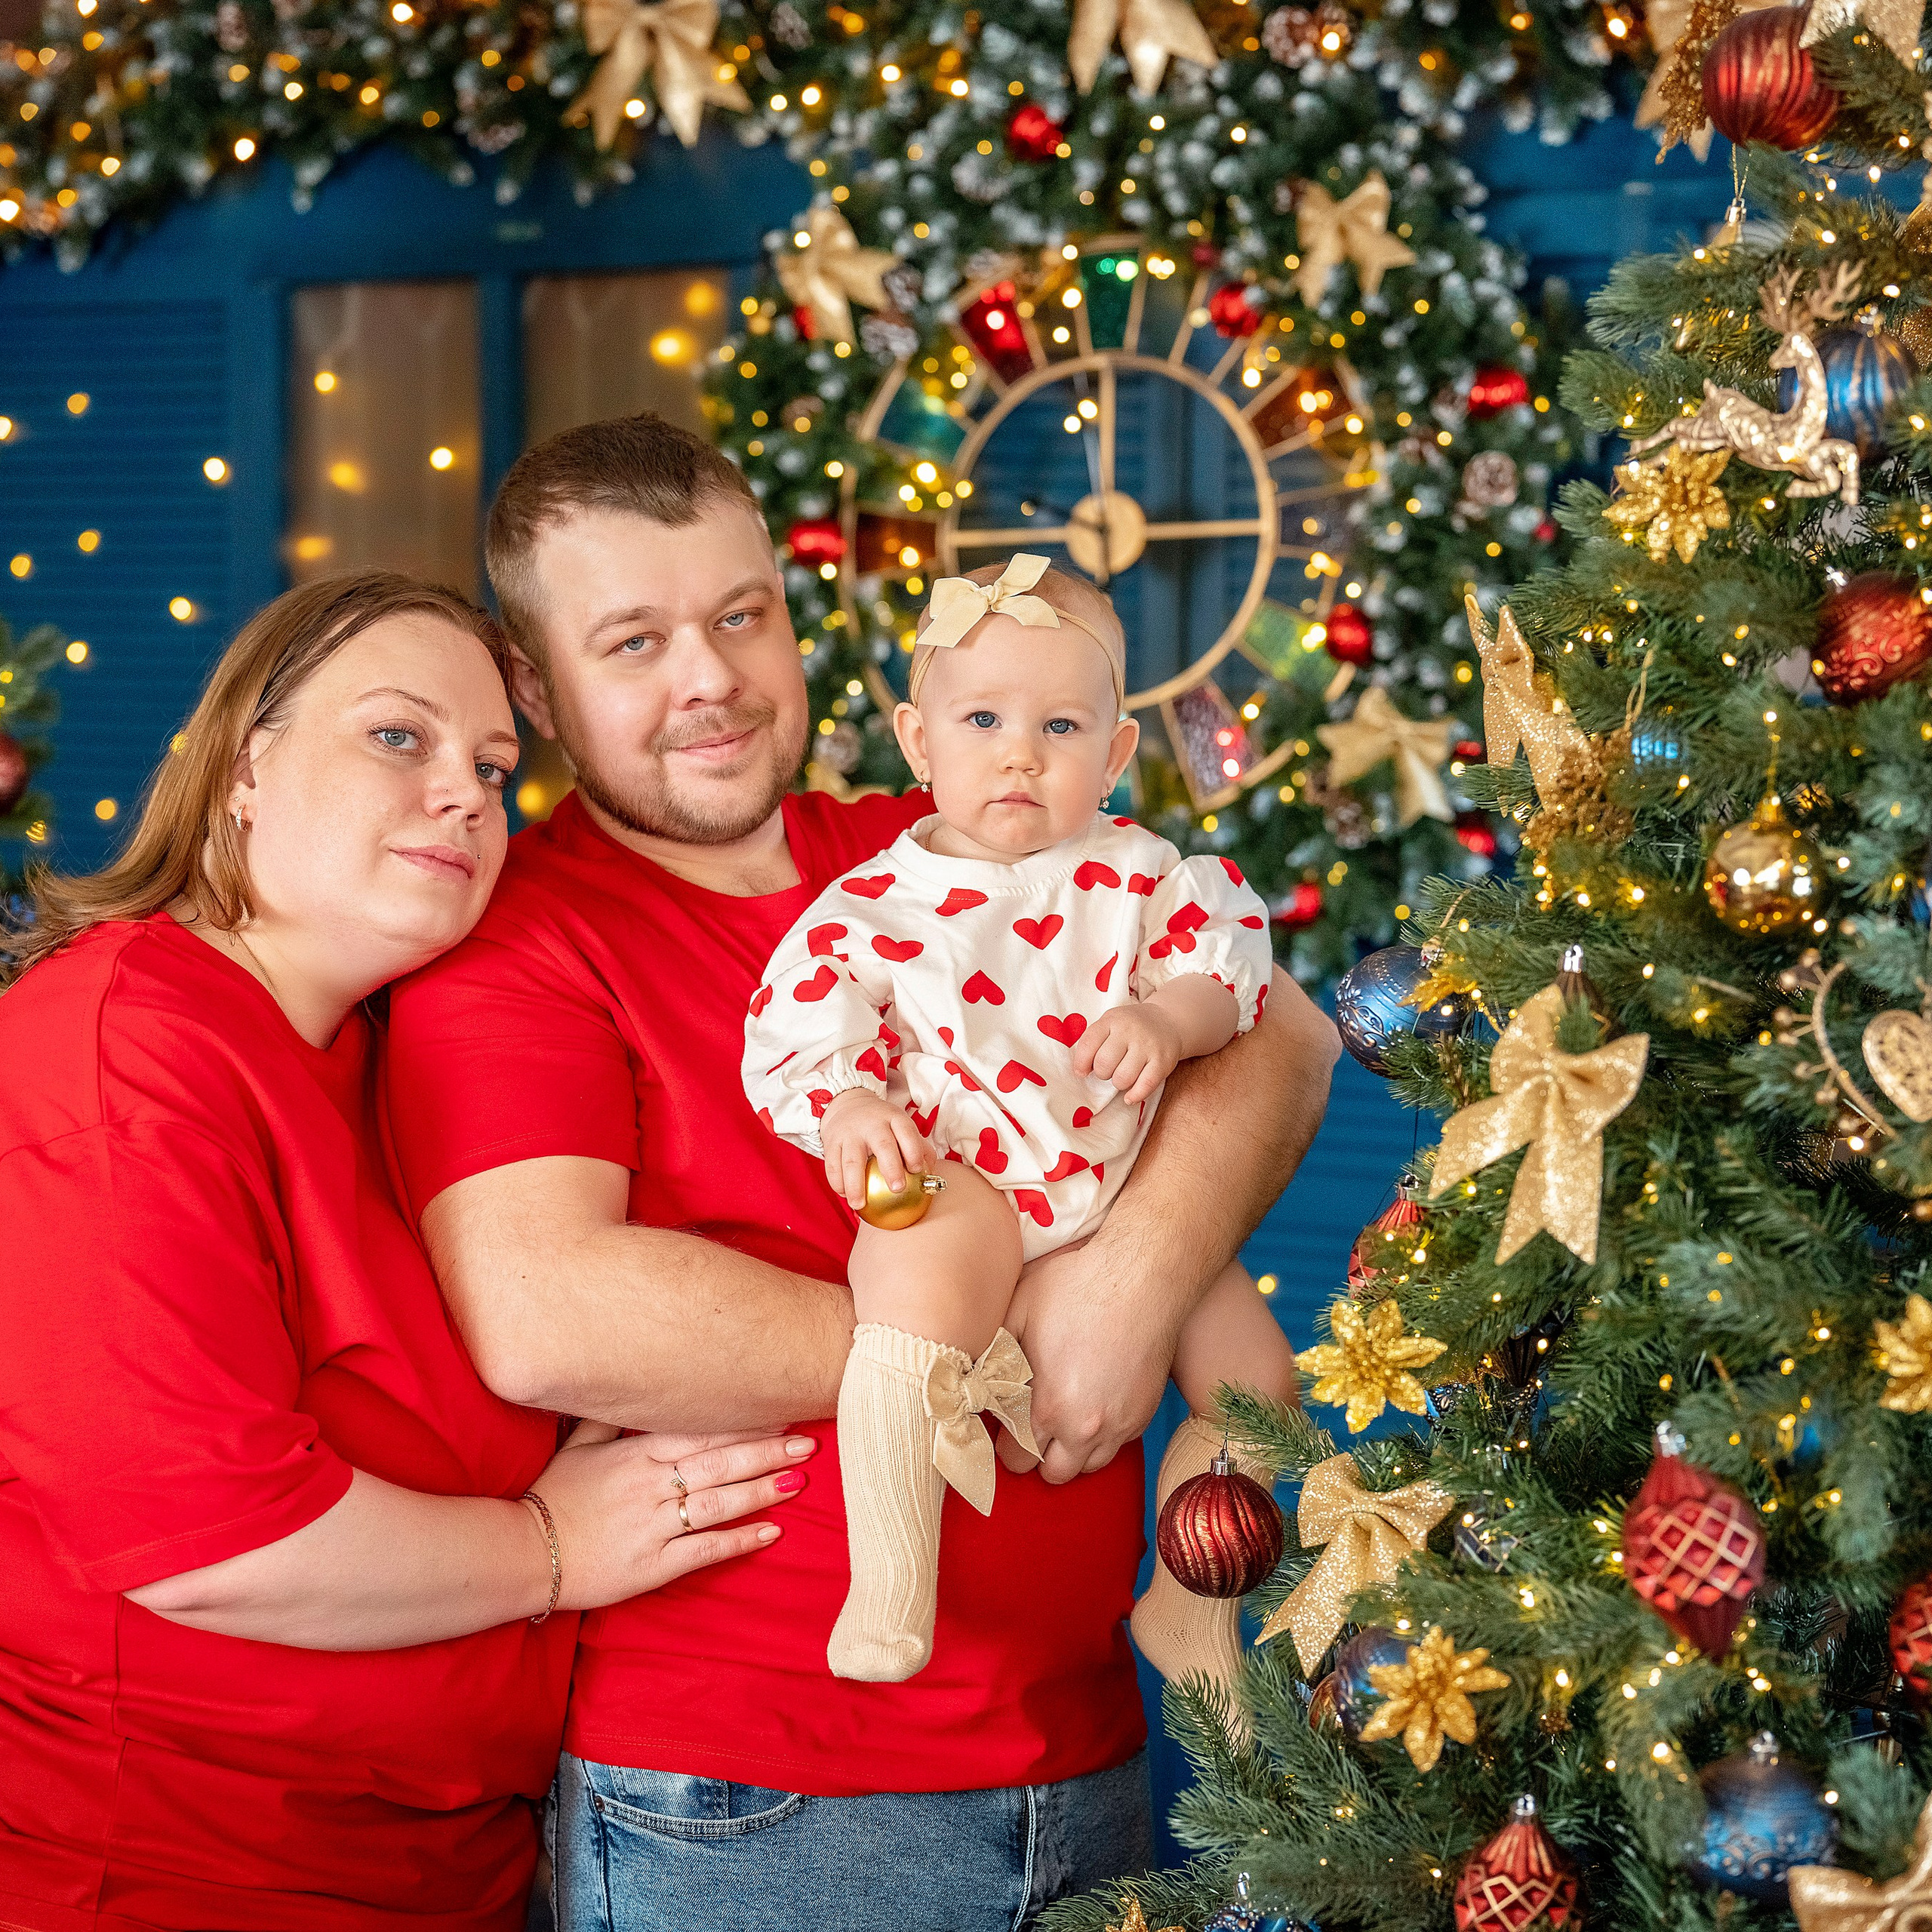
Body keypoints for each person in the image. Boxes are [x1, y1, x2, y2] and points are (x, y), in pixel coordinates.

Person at [385, 416, 1340, 1932]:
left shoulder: (946, 834)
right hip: (751, 1802)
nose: (708, 677)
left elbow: (1279, 1031)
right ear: (535, 687)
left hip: (1089, 1746)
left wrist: (1130, 1278)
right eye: (633, 642)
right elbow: (547, 1310)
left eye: (739, 615)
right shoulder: (520, 947)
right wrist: (991, 1338)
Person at [0, 571, 811, 1932]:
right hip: (173, 1872)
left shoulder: (395, 1052)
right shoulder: (115, 1056)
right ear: (243, 767)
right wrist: (553, 1548)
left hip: (446, 1873)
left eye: (493, 767)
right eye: (398, 737)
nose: (468, 797)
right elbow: (209, 1540)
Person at [742, 552, 1297, 1688]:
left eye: (1061, 727)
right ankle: (892, 1573)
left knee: (1260, 1385)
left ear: (1117, 753)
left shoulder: (1142, 875)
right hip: (961, 1173)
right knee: (914, 1254)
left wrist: (1169, 1019)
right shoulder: (871, 906)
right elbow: (804, 1015)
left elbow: (1228, 970)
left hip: (1122, 1186)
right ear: (917, 741)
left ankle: (1191, 1609)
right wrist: (850, 1099)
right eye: (984, 719)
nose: (1020, 755)